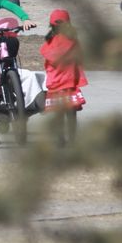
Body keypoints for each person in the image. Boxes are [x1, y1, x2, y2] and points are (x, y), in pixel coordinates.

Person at [40, 8, 87, 147]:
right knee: (71, 115)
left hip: (55, 86)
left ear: (51, 25)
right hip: (69, 84)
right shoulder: (73, 41)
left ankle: (59, 141)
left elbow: (48, 65)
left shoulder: (49, 43)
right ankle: (72, 141)